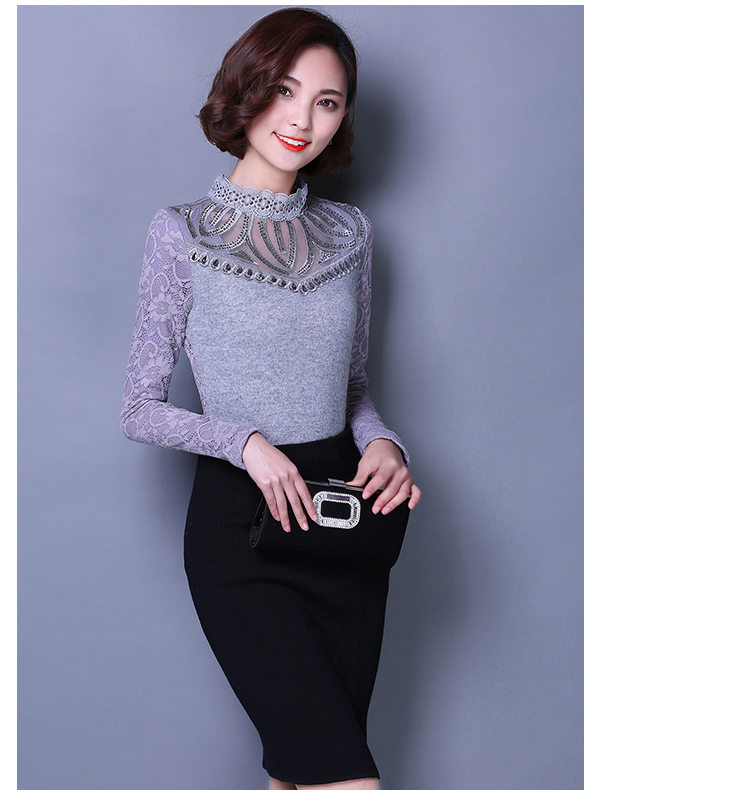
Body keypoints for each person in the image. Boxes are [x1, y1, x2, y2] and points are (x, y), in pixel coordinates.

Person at [120, 7, 420, 791]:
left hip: (344, 527)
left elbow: (352, 386)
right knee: (345, 781)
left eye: (327, 101)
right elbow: (139, 408)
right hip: (241, 526)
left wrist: (384, 443)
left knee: (299, 777)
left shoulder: (350, 234)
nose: (302, 119)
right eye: (285, 90)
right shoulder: (182, 232)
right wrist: (244, 442)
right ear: (247, 89)